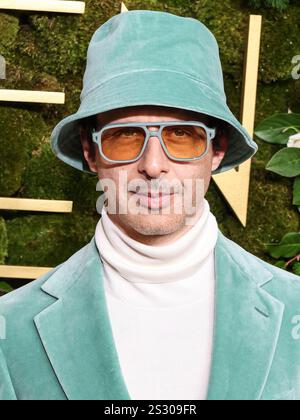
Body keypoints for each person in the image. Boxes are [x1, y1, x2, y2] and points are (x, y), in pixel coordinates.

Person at [0, 10, 299, 401]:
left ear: (216, 149)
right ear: (91, 152)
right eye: (124, 136)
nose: (153, 165)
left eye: (181, 136)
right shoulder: (11, 329)